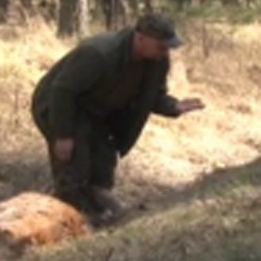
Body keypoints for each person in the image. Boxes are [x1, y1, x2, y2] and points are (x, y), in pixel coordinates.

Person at [31, 12, 203, 221]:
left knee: (103, 162)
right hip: (58, 106)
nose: (165, 51)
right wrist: (63, 134)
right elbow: (63, 91)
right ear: (140, 38)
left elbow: (152, 97)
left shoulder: (157, 61)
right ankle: (67, 215)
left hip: (96, 111)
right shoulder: (99, 53)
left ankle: (98, 211)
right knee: (75, 163)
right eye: (161, 45)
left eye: (168, 46)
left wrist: (174, 106)